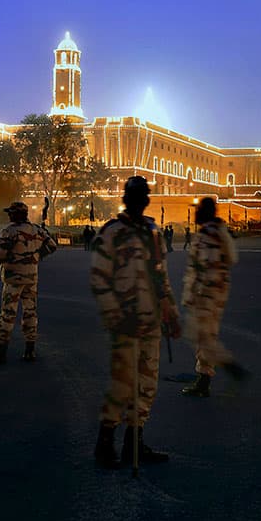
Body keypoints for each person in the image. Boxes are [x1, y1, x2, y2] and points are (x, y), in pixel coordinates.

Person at [90, 176, 181, 468]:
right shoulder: (112, 233)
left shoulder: (153, 232)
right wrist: (114, 316)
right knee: (122, 384)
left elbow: (161, 277)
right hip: (125, 322)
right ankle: (105, 443)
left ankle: (134, 443)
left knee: (146, 384)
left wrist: (170, 312)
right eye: (134, 195)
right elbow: (99, 280)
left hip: (151, 321)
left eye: (143, 195)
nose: (139, 200)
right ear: (126, 198)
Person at [180, 198, 246, 397]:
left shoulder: (206, 235)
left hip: (206, 292)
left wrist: (191, 294)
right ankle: (204, 379)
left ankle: (229, 365)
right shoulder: (220, 232)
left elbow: (202, 266)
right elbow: (232, 258)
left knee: (198, 334)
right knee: (208, 334)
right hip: (220, 290)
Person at [0, 201, 57, 365]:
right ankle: (30, 349)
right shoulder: (37, 230)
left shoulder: (10, 231)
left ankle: (1, 350)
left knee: (8, 314)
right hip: (31, 276)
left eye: (11, 213)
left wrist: (2, 261)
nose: (9, 215)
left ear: (17, 214)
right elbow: (52, 245)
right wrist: (35, 257)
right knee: (30, 312)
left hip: (13, 278)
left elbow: (0, 254)